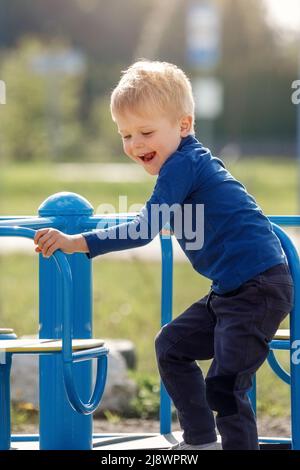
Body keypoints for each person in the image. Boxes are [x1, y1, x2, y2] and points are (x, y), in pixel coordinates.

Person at [34, 60, 294, 450]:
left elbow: (143, 228)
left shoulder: (182, 164)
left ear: (184, 125)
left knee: (225, 385)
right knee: (171, 346)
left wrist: (77, 241)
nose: (135, 144)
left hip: (257, 290)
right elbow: (203, 210)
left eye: (146, 132)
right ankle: (201, 439)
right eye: (125, 135)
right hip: (233, 290)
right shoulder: (191, 163)